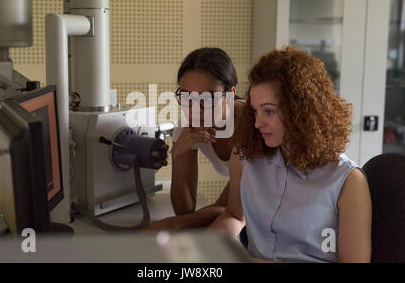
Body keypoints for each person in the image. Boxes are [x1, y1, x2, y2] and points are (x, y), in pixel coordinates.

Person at [210, 46, 372, 262]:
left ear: (301, 110)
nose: (258, 123)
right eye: (255, 111)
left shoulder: (348, 182)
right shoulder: (244, 158)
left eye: (268, 111)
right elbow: (233, 215)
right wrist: (206, 248)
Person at [141, 47, 245, 231]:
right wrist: (178, 154)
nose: (196, 109)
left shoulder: (254, 127)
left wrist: (168, 225)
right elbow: (185, 209)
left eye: (209, 98)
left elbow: (231, 207)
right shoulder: (188, 125)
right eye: (188, 97)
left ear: (229, 94)